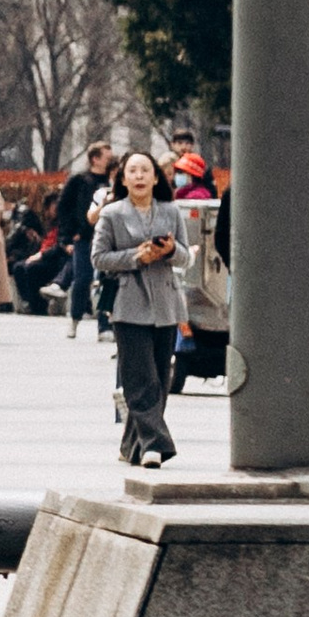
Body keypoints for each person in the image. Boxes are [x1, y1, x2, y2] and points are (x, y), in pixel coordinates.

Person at [94, 146, 185, 465]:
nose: (139, 176)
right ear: (123, 177)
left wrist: (170, 250)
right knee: (140, 377)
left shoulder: (171, 211)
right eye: (132, 171)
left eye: (145, 170)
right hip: (128, 303)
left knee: (160, 378)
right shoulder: (112, 213)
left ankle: (129, 445)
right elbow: (99, 258)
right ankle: (154, 446)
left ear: (156, 176)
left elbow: (186, 257)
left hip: (165, 304)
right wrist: (135, 257)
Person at [56, 141, 114, 329]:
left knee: (107, 280)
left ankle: (104, 325)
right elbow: (64, 208)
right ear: (95, 159)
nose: (109, 162)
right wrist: (68, 235)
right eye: (107, 158)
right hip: (84, 237)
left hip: (107, 237)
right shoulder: (79, 180)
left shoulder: (111, 181)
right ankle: (75, 317)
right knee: (82, 278)